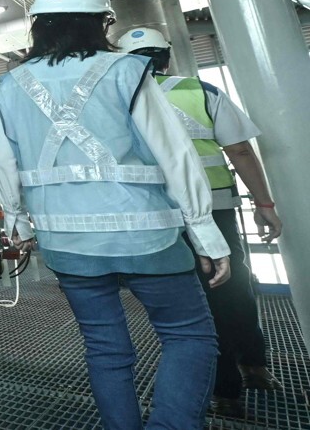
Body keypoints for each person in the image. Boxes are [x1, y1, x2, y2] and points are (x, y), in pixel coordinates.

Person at [0, 0, 230, 430]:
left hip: (67, 242)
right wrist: (204, 230)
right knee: (188, 337)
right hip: (149, 237)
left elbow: (7, 164)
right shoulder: (127, 69)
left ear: (38, 26)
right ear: (102, 23)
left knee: (105, 347)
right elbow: (174, 152)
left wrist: (17, 224)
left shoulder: (10, 85)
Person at [117, 26, 284, 416]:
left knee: (194, 303)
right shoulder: (201, 91)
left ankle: (223, 392)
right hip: (217, 207)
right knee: (233, 287)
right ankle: (255, 367)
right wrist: (264, 203)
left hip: (161, 214)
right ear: (167, 56)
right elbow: (240, 150)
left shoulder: (122, 100)